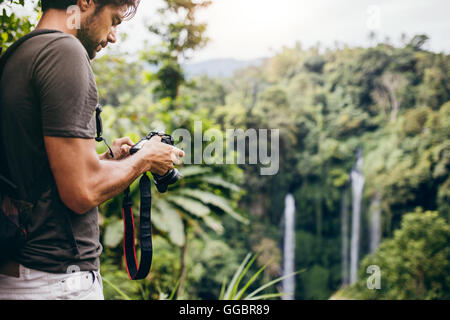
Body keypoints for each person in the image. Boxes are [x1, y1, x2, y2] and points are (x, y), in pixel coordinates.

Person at [0, 0, 184, 300]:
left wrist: (105, 161)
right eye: (114, 20)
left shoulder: (18, 54)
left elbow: (36, 173)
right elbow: (81, 193)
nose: (112, 36)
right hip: (57, 281)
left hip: (19, 275)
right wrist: (147, 158)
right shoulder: (65, 52)